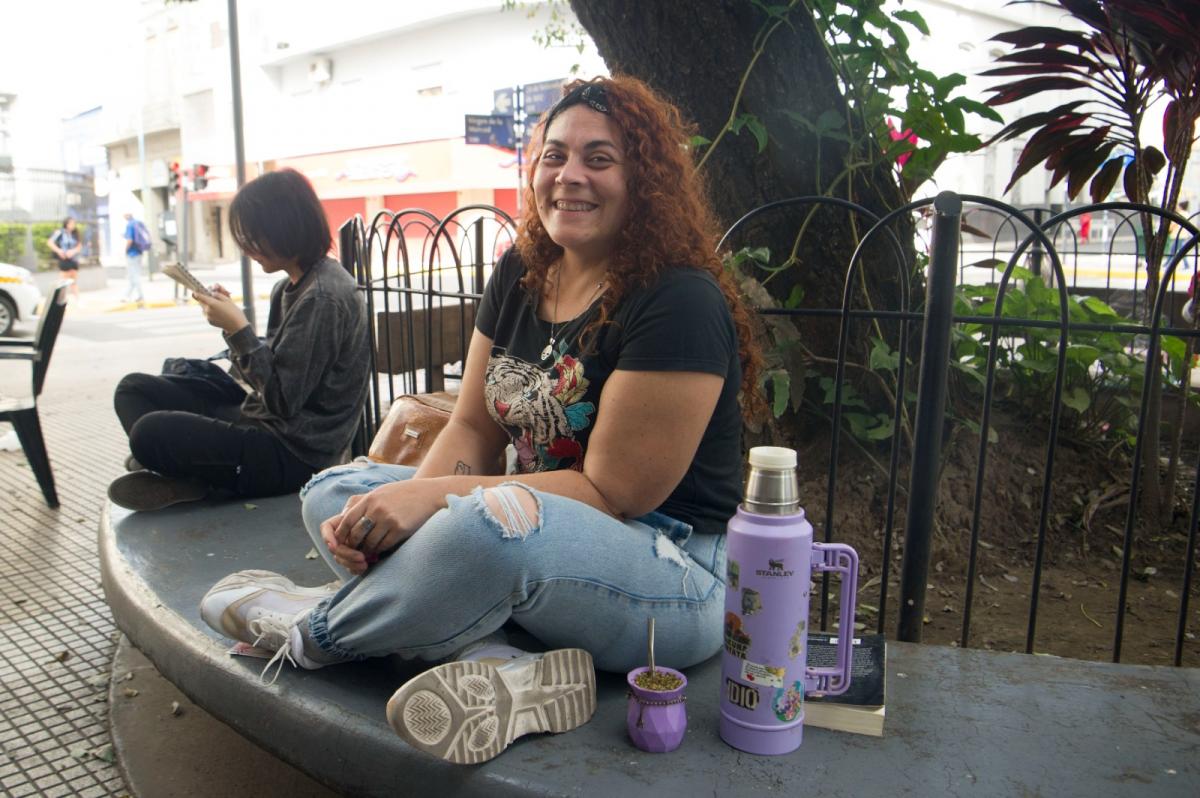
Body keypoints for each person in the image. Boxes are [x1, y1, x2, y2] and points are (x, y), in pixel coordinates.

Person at [199, 76, 763, 764]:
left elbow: (614, 494)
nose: (569, 176)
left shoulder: (679, 299)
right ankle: (508, 666)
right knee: (336, 492)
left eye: (599, 159)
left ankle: (311, 633)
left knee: (485, 527)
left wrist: (432, 505)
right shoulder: (524, 273)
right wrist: (401, 514)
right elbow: (471, 428)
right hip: (532, 534)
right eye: (554, 155)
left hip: (668, 572)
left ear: (644, 179)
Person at [108, 169, 370, 512]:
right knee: (133, 389)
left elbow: (282, 401)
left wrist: (238, 330)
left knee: (149, 433)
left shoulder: (323, 297)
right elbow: (271, 377)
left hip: (294, 455)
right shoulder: (291, 287)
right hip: (258, 417)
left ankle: (192, 476)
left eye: (255, 237)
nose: (249, 249)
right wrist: (234, 328)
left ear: (287, 229)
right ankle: (189, 476)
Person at [47, 217, 82, 301]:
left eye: (74, 223)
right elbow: (50, 242)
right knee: (63, 282)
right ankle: (61, 301)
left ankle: (77, 300)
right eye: (71, 223)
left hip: (73, 260)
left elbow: (79, 246)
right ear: (66, 224)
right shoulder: (60, 233)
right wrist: (59, 251)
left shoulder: (75, 234)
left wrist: (73, 252)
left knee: (74, 281)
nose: (73, 225)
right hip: (64, 259)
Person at [123, 212, 148, 305]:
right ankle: (126, 296)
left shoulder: (130, 225)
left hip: (132, 254)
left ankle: (140, 296)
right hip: (139, 252)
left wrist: (125, 250)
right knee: (133, 275)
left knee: (134, 275)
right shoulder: (138, 223)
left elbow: (129, 240)